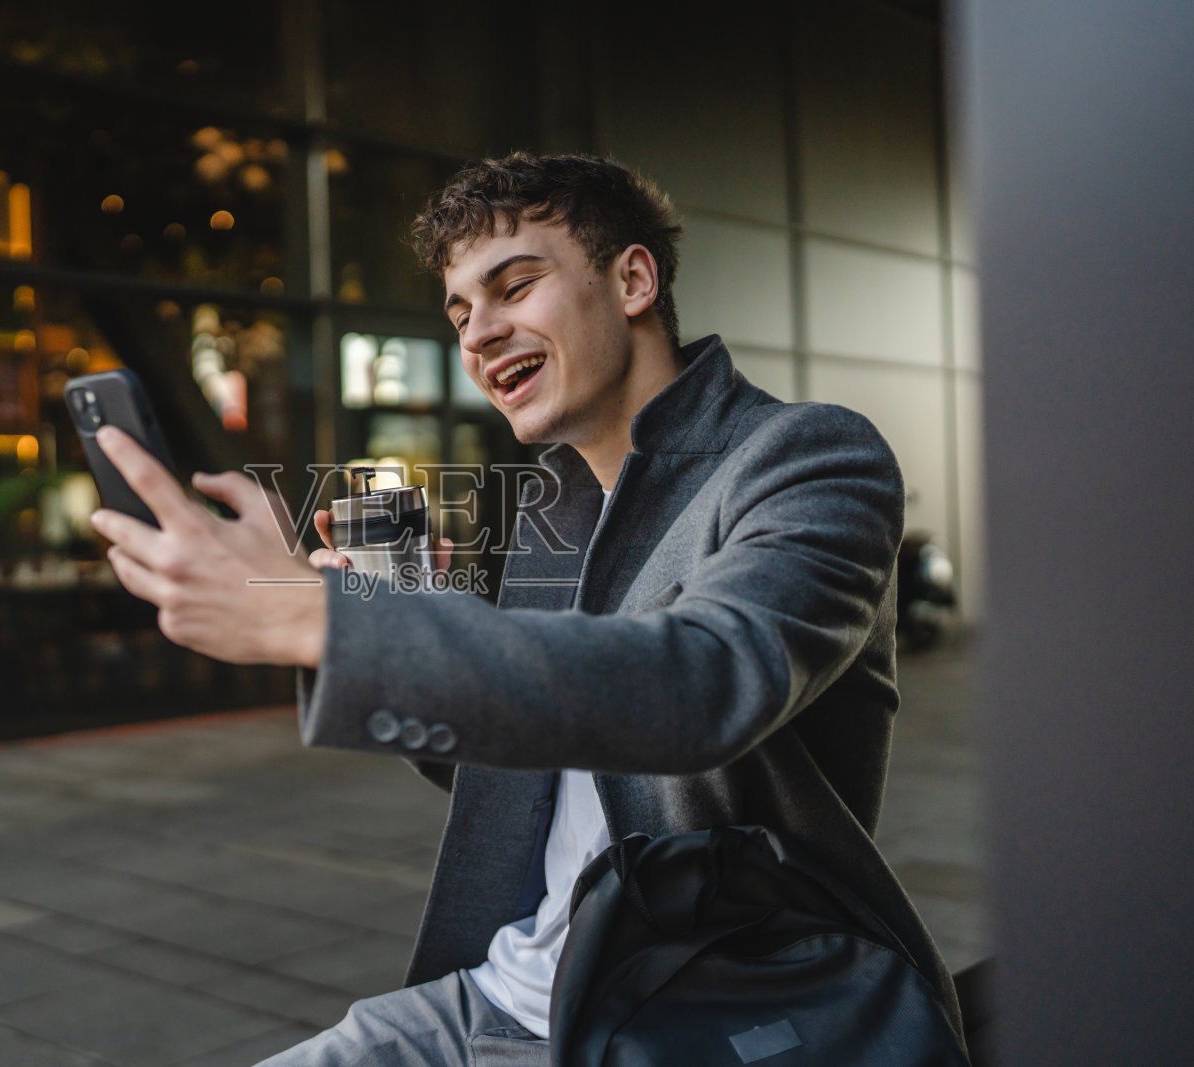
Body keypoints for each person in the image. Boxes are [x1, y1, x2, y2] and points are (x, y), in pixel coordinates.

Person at [89, 152, 962, 1065]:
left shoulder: (807, 456)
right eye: (461, 312)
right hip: (504, 997)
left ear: (633, 280)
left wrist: (322, 620)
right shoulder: (554, 514)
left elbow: (704, 683)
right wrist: (409, 614)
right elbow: (516, 773)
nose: (479, 333)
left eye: (514, 287)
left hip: (703, 1013)